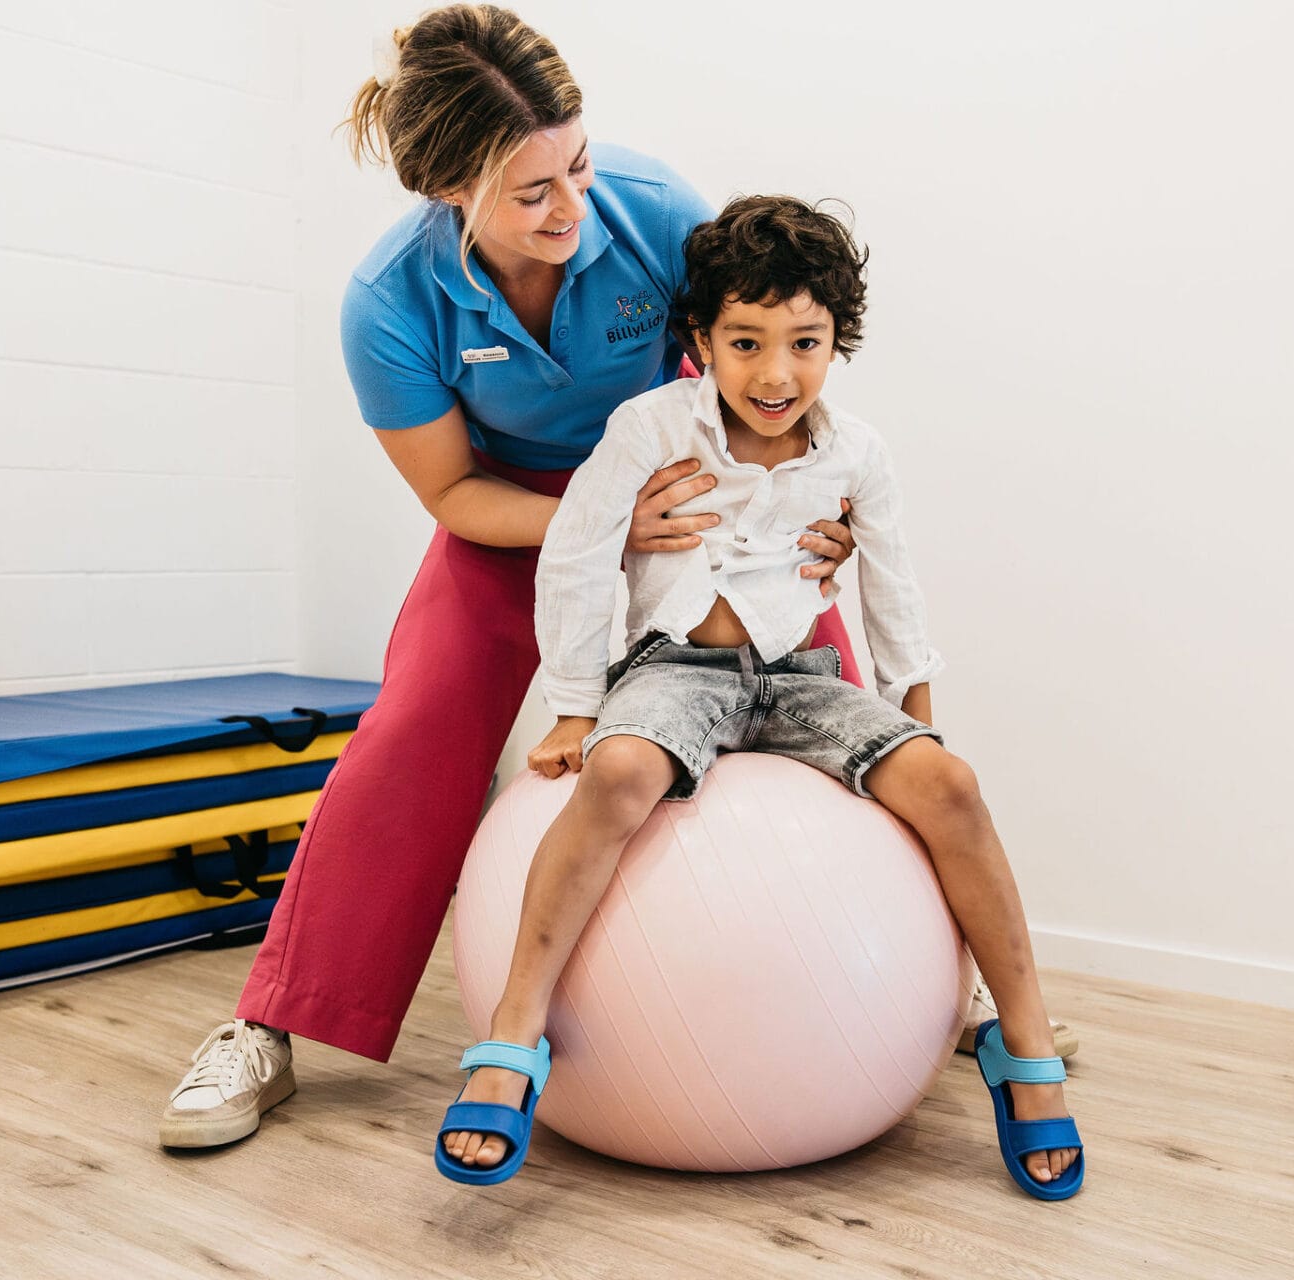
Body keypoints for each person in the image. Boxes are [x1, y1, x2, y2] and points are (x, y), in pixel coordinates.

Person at [156, 5, 865, 1150]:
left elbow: (763, 367)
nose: (572, 208)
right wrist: (594, 526)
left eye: (578, 165)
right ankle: (269, 1026)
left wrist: (806, 504)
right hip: (515, 512)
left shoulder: (658, 214)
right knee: (415, 725)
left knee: (837, 667)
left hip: (685, 487)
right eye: (533, 192)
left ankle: (947, 985)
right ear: (448, 188)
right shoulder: (388, 302)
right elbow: (449, 494)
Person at [432, 196, 1085, 1200]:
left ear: (837, 342)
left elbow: (892, 578)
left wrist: (913, 703)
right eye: (746, 341)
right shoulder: (648, 426)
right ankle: (515, 1028)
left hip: (801, 678)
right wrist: (573, 702)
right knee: (616, 773)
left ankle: (1022, 1039)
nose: (775, 373)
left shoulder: (857, 451)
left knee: (949, 784)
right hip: (674, 669)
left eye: (805, 342)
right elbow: (574, 555)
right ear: (701, 341)